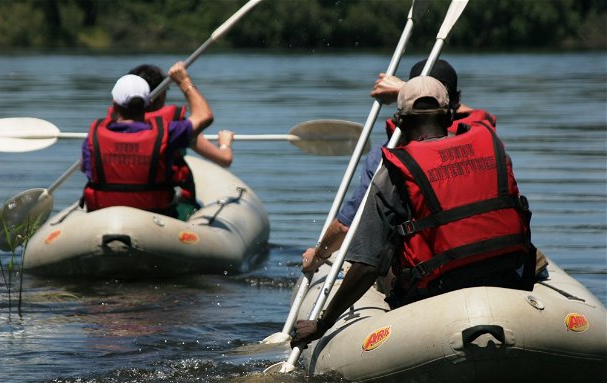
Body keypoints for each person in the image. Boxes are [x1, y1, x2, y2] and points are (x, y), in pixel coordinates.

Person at [291, 76, 535, 349]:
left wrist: (322, 324)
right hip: (508, 285)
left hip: (437, 297)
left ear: (401, 122)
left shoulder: (393, 172)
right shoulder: (493, 148)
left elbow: (366, 266)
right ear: (449, 117)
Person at [302, 59, 497, 275]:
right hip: (487, 261)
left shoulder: (390, 155)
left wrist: (318, 255)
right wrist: (410, 90)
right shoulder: (481, 144)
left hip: (430, 273)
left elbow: (346, 226)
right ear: (454, 103)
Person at [80, 61, 234, 218]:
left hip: (104, 215)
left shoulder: (98, 133)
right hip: (156, 215)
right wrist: (184, 81)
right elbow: (207, 122)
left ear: (115, 102)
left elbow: (85, 169)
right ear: (152, 99)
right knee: (194, 207)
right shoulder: (170, 131)